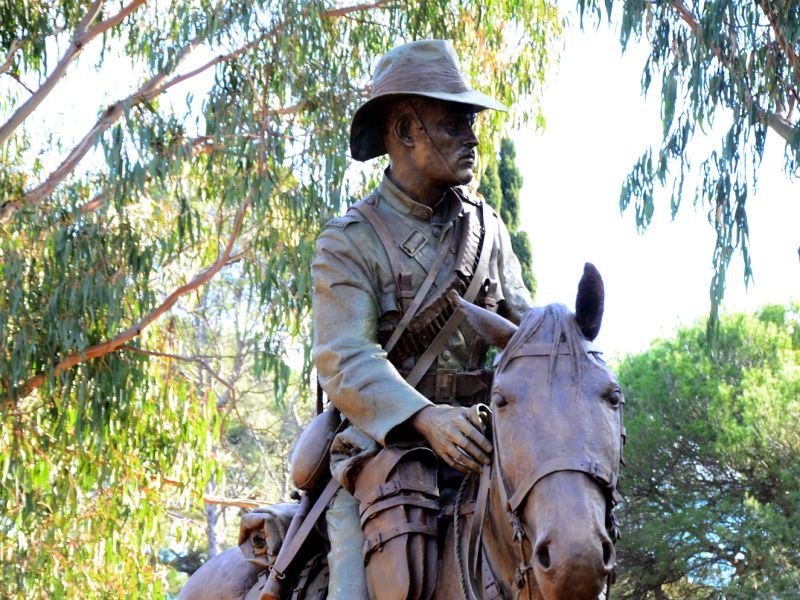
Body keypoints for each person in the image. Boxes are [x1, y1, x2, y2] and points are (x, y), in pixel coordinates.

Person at [311, 39, 532, 600]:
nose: (473, 137)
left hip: (482, 447)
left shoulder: (488, 232)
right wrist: (428, 418)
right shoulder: (349, 242)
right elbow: (345, 357)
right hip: (381, 456)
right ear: (406, 130)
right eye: (454, 123)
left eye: (472, 122)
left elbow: (522, 331)